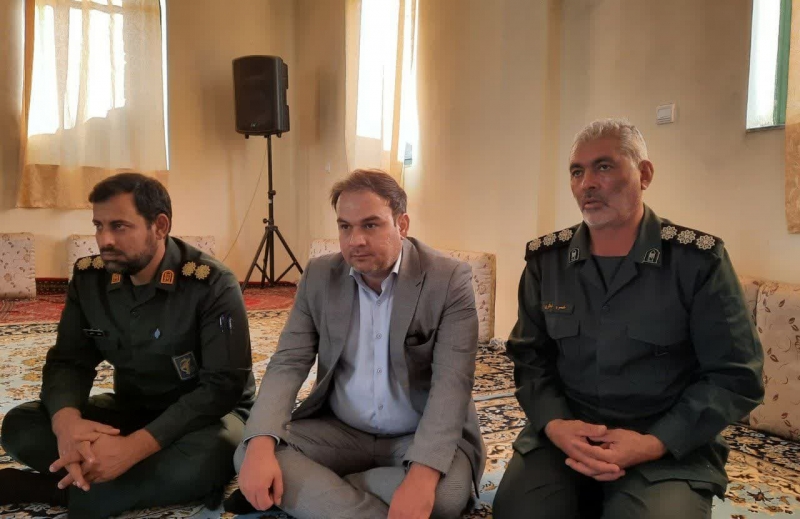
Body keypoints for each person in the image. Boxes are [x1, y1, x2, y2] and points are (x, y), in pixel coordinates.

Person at [493, 119, 764, 519]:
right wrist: (554, 425)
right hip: (568, 435)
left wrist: (655, 442)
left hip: (664, 445)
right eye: (577, 172)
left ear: (645, 174)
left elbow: (735, 375)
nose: (587, 183)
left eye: (604, 167)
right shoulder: (547, 262)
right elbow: (530, 358)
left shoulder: (696, 262)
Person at [226, 169, 485, 518]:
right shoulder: (320, 276)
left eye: (370, 225)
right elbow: (288, 363)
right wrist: (260, 444)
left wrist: (422, 477)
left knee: (445, 497)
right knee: (249, 452)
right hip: (340, 431)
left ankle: (321, 491)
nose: (355, 240)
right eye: (345, 227)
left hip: (417, 434)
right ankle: (355, 500)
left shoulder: (448, 279)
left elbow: (452, 385)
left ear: (402, 224)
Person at [0, 173, 256, 518]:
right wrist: (68, 425)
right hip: (132, 408)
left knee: (211, 458)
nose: (104, 240)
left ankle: (50, 490)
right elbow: (69, 361)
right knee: (20, 425)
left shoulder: (211, 284)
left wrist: (133, 449)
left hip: (208, 418)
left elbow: (221, 388)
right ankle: (116, 475)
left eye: (119, 226)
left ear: (160, 226)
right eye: (98, 226)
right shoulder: (90, 278)